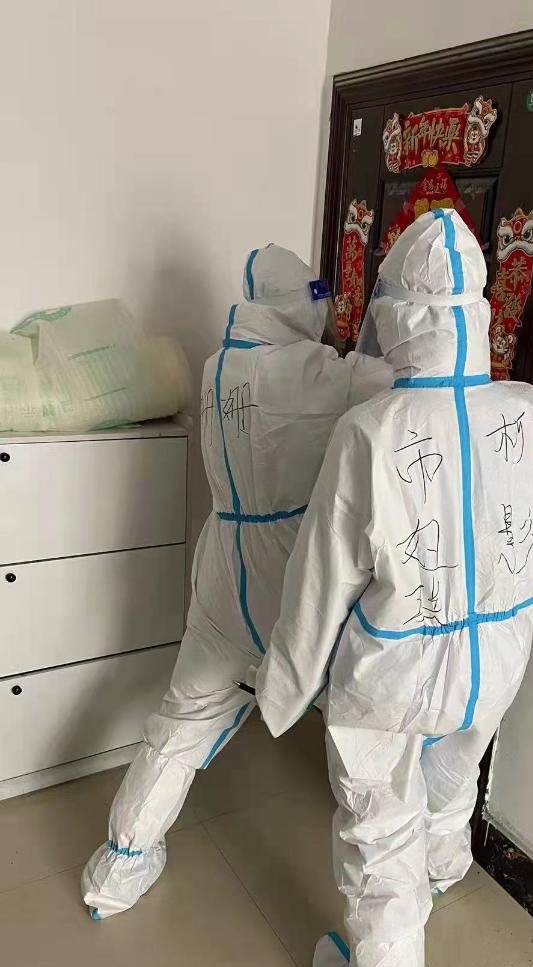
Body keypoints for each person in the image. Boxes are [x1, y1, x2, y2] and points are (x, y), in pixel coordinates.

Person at [254, 210, 533, 967]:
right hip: (496, 656)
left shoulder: (369, 429)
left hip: (391, 675)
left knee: (378, 836)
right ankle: (442, 872)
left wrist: (284, 686)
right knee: (451, 777)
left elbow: (319, 580)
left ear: (395, 314)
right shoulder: (529, 409)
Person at [81, 244, 392, 920]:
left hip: (224, 565)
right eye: (317, 298)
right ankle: (398, 890)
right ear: (299, 303)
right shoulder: (327, 373)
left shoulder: (218, 367)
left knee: (183, 717)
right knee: (362, 728)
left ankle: (119, 867)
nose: (325, 311)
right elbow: (404, 384)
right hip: (295, 575)